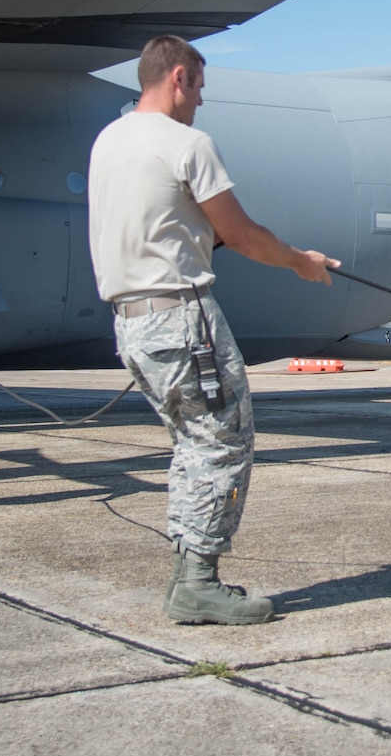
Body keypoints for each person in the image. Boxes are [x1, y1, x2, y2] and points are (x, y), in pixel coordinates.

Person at [89, 35, 336, 625]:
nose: (201, 103)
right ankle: (199, 580)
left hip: (133, 323)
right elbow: (243, 234)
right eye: (199, 89)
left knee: (191, 444)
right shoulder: (187, 143)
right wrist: (303, 261)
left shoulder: (110, 139)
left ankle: (187, 576)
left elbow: (172, 223)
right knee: (223, 441)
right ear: (179, 77)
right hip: (182, 316)